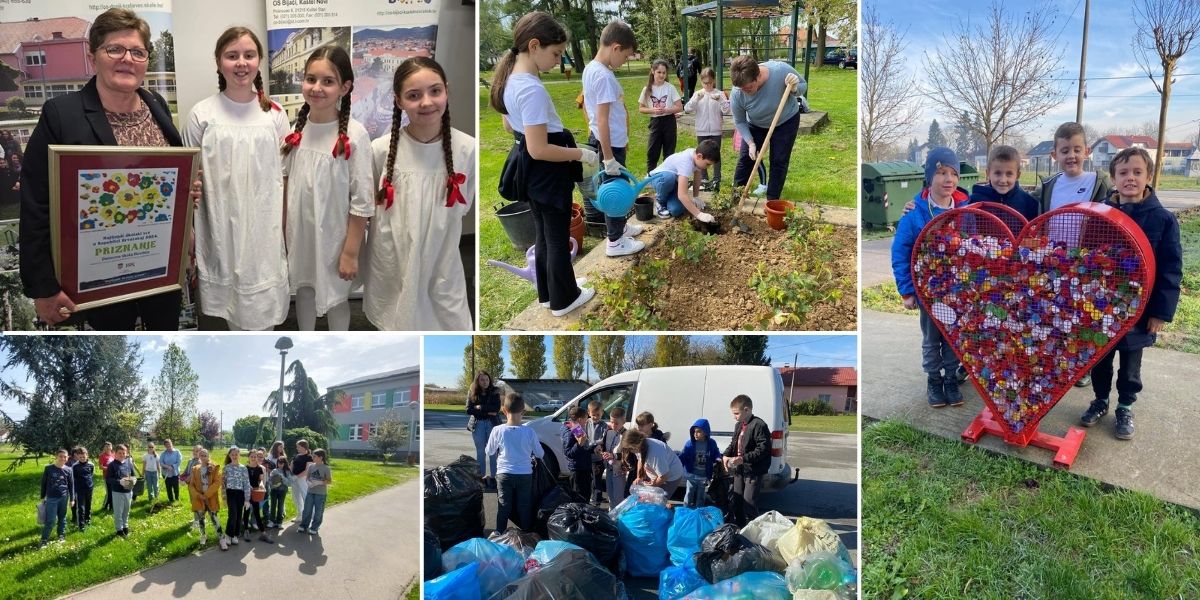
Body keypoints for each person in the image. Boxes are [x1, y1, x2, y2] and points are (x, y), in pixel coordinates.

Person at [19, 8, 201, 329]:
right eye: (114, 49)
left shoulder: (156, 104)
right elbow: (35, 204)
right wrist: (44, 289)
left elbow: (168, 180)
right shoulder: (61, 114)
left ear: (146, 60)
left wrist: (186, 192)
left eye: (137, 52)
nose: (127, 59)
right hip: (98, 277)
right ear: (94, 57)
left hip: (158, 268)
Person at [490, 13, 597, 316]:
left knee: (545, 231)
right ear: (534, 46)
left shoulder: (511, 80)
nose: (558, 61)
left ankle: (549, 294)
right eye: (556, 53)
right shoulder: (530, 88)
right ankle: (566, 299)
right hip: (547, 171)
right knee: (557, 234)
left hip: (533, 173)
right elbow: (539, 149)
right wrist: (578, 153)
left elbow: (511, 128)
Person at [185, 27, 290, 331]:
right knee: (232, 309)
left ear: (259, 61)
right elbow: (191, 176)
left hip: (264, 228)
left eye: (249, 55)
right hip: (221, 224)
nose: (241, 63)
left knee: (263, 311)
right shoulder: (202, 114)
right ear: (219, 63)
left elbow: (284, 174)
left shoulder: (274, 115)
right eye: (232, 56)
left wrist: (283, 225)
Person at [1078, 148, 1182, 440]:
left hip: (1140, 309)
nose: (1130, 178)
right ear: (1113, 178)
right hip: (1101, 307)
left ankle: (1125, 406)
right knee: (1099, 359)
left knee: (1130, 364)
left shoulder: (1162, 219)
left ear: (1148, 176)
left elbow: (1171, 269)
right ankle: (1100, 400)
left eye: (1137, 172)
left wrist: (1160, 312)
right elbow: (1085, 257)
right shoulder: (1100, 215)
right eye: (1123, 173)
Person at [366, 57, 474, 330]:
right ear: (399, 100)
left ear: (446, 91)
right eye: (414, 95)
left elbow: (463, 205)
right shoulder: (380, 150)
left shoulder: (467, 150)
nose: (426, 102)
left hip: (441, 261)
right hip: (393, 260)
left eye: (435, 91)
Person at [281, 46, 373, 331]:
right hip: (301, 236)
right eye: (311, 79)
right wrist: (282, 235)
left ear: (344, 87)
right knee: (305, 290)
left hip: (336, 239)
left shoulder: (354, 135)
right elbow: (285, 187)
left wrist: (350, 252)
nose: (317, 88)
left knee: (336, 299)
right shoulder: (295, 133)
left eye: (328, 81)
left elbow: (362, 201)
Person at [1031, 122, 1113, 388]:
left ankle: (1082, 366)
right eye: (1065, 150)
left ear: (1087, 151)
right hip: (1052, 263)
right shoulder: (1049, 185)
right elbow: (1020, 201)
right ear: (1054, 155)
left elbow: (1119, 207)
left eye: (1077, 149)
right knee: (1055, 314)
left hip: (1085, 263)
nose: (1071, 156)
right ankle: (1055, 361)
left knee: (1083, 316)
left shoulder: (1098, 183)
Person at [891, 147, 970, 408]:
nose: (948, 179)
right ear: (929, 176)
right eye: (941, 173)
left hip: (957, 293)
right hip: (927, 293)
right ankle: (934, 380)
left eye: (953, 173)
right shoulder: (915, 214)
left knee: (952, 337)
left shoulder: (965, 211)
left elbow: (975, 245)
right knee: (931, 339)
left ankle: (950, 379)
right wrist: (907, 291)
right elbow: (900, 252)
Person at [582, 19, 645, 258]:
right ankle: (615, 241)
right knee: (614, 191)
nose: (624, 62)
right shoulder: (604, 77)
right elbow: (602, 120)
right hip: (607, 144)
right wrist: (608, 156)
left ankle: (621, 228)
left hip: (606, 141)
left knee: (615, 187)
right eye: (626, 56)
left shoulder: (592, 69)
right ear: (616, 47)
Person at [729, 56, 805, 203]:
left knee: (779, 160)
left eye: (749, 88)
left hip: (785, 121)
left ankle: (772, 200)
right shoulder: (737, 93)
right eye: (741, 89)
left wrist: (795, 88)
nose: (745, 92)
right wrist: (751, 143)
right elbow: (739, 121)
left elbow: (803, 85)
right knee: (746, 158)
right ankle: (736, 198)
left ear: (758, 76)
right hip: (755, 124)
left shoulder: (780, 70)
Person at [485, 392, 544, 533]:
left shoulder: (497, 430)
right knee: (524, 506)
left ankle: (499, 535)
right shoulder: (529, 432)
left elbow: (489, 452)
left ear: (504, 411)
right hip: (524, 474)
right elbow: (540, 454)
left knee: (504, 506)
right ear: (523, 411)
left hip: (504, 474)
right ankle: (527, 536)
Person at [722, 395, 771, 526]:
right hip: (740, 470)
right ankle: (740, 527)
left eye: (736, 413)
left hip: (753, 471)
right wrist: (725, 455)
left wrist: (743, 459)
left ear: (747, 410)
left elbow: (763, 449)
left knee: (749, 501)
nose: (734, 417)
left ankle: (753, 530)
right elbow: (733, 444)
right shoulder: (739, 425)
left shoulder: (759, 425)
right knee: (737, 499)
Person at [646, 140, 720, 221]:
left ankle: (667, 197)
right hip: (658, 178)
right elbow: (682, 195)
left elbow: (697, 177)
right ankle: (660, 202)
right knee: (668, 178)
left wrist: (696, 196)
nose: (708, 167)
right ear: (699, 156)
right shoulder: (685, 162)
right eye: (708, 164)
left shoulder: (696, 157)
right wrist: (699, 214)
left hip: (674, 183)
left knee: (676, 210)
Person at [684, 68, 730, 191]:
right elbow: (687, 109)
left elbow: (727, 110)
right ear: (701, 82)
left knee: (716, 154)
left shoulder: (719, 94)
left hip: (716, 130)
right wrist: (696, 99)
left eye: (709, 82)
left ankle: (716, 179)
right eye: (705, 83)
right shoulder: (697, 94)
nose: (707, 85)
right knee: (702, 154)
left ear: (713, 80)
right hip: (702, 130)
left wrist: (720, 100)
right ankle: (703, 178)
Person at [969, 145, 1039, 222]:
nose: (1003, 180)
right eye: (997, 173)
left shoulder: (1029, 203)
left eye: (1009, 174)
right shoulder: (974, 201)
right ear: (988, 173)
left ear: (1017, 175)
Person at [640, 59, 684, 173]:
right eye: (659, 72)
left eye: (664, 73)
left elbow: (679, 107)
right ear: (653, 72)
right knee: (652, 151)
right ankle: (651, 176)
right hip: (655, 122)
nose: (661, 75)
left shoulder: (670, 88)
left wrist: (666, 110)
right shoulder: (647, 89)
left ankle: (668, 175)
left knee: (669, 151)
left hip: (669, 121)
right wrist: (652, 110)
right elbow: (641, 108)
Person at [621, 429, 686, 498]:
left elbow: (664, 476)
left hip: (670, 477)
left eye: (629, 449)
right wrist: (639, 477)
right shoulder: (640, 447)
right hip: (659, 474)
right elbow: (640, 460)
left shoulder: (655, 452)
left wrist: (652, 486)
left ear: (635, 445)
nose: (629, 451)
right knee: (647, 498)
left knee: (658, 500)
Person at [466, 370, 502, 486]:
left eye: (487, 379)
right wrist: (487, 411)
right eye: (482, 380)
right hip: (478, 424)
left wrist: (480, 407)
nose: (485, 382)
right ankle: (481, 478)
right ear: (478, 381)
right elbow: (469, 410)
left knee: (493, 451)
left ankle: (494, 478)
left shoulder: (495, 391)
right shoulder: (472, 392)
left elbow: (496, 409)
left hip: (492, 424)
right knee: (481, 452)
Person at [188, 447, 225, 549]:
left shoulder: (214, 467)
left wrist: (206, 495)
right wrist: (198, 495)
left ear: (208, 456)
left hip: (211, 498)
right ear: (198, 457)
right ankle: (203, 535)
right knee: (201, 518)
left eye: (205, 455)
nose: (203, 457)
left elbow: (217, 482)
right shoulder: (195, 469)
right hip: (199, 499)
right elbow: (191, 485)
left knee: (215, 518)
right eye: (201, 455)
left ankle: (221, 538)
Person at [680, 419, 721, 508]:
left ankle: (699, 512)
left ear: (706, 432)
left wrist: (718, 458)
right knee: (689, 493)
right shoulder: (690, 443)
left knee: (701, 496)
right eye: (694, 431)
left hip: (703, 476)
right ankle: (686, 511)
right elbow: (683, 456)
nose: (695, 434)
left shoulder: (711, 443)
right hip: (691, 475)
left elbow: (716, 452)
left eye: (699, 432)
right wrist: (677, 465)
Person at [625, 411, 666, 495]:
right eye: (638, 425)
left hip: (654, 471)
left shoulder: (658, 437)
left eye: (642, 425)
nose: (639, 428)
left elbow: (662, 456)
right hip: (639, 468)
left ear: (651, 425)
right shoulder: (637, 436)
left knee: (650, 495)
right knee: (632, 492)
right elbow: (633, 454)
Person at [40, 449, 74, 547]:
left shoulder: (69, 469)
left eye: (65, 457)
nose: (62, 458)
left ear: (67, 458)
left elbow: (71, 485)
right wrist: (42, 496)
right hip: (51, 498)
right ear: (56, 457)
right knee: (50, 520)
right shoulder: (49, 469)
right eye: (60, 456)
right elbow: (44, 483)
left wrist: (72, 499)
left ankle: (61, 535)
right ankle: (44, 539)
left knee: (62, 518)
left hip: (64, 498)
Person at [562, 406, 596, 502]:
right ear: (580, 419)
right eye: (586, 419)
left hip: (585, 467)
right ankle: (579, 515)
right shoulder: (569, 432)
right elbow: (568, 453)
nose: (587, 422)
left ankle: (585, 513)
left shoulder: (577, 428)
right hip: (577, 471)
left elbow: (585, 447)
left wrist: (593, 449)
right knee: (579, 497)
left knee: (586, 495)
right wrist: (579, 444)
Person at [597, 406, 628, 507]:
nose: (613, 425)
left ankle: (618, 517)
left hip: (619, 471)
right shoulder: (608, 431)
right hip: (609, 468)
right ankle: (611, 514)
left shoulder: (626, 435)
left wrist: (613, 456)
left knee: (618, 497)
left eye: (616, 423)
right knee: (610, 495)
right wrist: (600, 449)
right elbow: (603, 444)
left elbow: (627, 455)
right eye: (611, 422)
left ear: (623, 421)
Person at [221, 446, 250, 546]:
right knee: (232, 515)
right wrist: (224, 498)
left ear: (239, 455)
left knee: (238, 516)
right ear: (229, 455)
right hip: (230, 494)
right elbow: (223, 484)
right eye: (232, 454)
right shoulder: (226, 468)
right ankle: (228, 535)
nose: (234, 456)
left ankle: (235, 535)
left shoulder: (243, 468)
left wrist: (247, 499)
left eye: (236, 454)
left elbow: (246, 484)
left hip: (240, 494)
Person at [299, 448, 332, 535]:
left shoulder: (326, 468)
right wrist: (309, 483)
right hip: (310, 492)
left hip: (321, 494)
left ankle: (314, 527)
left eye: (314, 456)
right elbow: (307, 478)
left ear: (321, 457)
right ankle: (304, 525)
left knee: (318, 511)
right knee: (307, 510)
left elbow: (329, 481)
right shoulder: (311, 466)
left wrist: (319, 482)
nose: (312, 457)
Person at [105, 444, 135, 538]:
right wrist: (120, 481)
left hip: (128, 491)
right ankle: (119, 529)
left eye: (124, 453)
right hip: (117, 492)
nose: (122, 455)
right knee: (118, 512)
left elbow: (133, 475)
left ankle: (125, 527)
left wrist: (134, 480)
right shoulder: (112, 465)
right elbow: (108, 479)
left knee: (126, 511)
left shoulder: (128, 463)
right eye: (119, 453)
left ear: (126, 453)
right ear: (115, 454)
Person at [243, 450, 274, 542]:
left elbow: (260, 480)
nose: (253, 458)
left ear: (257, 458)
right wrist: (249, 486)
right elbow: (243, 481)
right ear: (248, 457)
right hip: (247, 493)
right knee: (246, 512)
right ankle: (246, 531)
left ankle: (263, 534)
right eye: (251, 456)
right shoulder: (244, 468)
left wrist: (261, 484)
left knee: (256, 513)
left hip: (256, 493)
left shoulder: (260, 468)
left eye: (255, 456)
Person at [583, 400, 609, 505]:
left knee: (597, 478)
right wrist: (593, 444)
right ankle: (592, 497)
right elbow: (584, 437)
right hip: (587, 456)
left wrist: (594, 443)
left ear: (602, 413)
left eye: (598, 415)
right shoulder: (586, 423)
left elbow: (603, 439)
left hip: (598, 458)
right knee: (589, 478)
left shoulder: (604, 425)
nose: (596, 417)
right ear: (589, 413)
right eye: (593, 415)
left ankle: (596, 499)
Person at [70, 447, 94, 531]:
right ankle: (81, 524)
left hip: (89, 488)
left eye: (84, 457)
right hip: (79, 490)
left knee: (88, 505)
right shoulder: (75, 466)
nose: (82, 459)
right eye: (80, 457)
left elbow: (91, 474)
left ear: (87, 455)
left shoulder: (91, 465)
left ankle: (88, 519)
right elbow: (73, 478)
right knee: (81, 507)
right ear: (77, 457)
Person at [290, 440, 314, 519]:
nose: (297, 448)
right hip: (294, 478)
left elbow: (307, 470)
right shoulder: (296, 455)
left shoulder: (309, 457)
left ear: (304, 447)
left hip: (303, 479)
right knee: (296, 497)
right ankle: (300, 515)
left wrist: (297, 476)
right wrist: (291, 475)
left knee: (305, 496)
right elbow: (291, 465)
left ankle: (311, 516)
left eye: (298, 447)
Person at [267, 453, 291, 528]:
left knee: (280, 506)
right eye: (278, 463)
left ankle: (279, 522)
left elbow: (289, 483)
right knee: (273, 506)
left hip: (282, 491)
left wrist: (282, 477)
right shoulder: (274, 471)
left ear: (285, 463)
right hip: (274, 491)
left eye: (282, 463)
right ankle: (271, 521)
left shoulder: (287, 471)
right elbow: (269, 480)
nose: (280, 465)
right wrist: (272, 485)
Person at [159, 439, 182, 504]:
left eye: (169, 443)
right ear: (165, 446)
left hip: (175, 473)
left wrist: (172, 466)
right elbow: (161, 462)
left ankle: (177, 499)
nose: (168, 445)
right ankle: (171, 500)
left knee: (176, 487)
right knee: (168, 487)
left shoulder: (177, 452)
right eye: (166, 444)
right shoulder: (163, 454)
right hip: (166, 473)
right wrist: (167, 466)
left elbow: (179, 461)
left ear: (171, 443)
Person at [99, 442, 114, 512]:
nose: (108, 448)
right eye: (106, 447)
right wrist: (109, 469)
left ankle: (111, 506)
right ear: (104, 448)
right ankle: (104, 506)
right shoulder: (102, 456)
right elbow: (100, 467)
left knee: (113, 492)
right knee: (109, 493)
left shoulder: (113, 455)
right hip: (106, 477)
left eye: (109, 446)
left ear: (111, 447)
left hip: (114, 477)